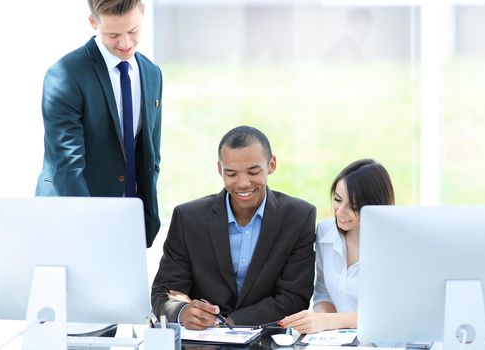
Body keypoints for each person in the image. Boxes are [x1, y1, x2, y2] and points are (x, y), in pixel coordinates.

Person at [151, 125, 317, 330]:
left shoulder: (299, 217)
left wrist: (231, 323)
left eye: (253, 171)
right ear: (220, 169)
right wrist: (183, 312)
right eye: (231, 174)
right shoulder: (188, 218)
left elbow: (294, 297)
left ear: (271, 164)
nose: (243, 183)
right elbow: (164, 293)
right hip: (201, 342)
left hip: (265, 340)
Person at [35, 0, 162, 247]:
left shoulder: (152, 73)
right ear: (93, 22)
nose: (125, 43)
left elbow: (151, 155)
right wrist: (91, 231)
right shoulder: (65, 75)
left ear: (143, 12)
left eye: (133, 31)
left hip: (127, 219)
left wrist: (146, 218)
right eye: (113, 34)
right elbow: (67, 166)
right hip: (70, 220)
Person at [280, 159, 395, 334]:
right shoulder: (325, 232)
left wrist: (328, 321)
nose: (340, 212)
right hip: (340, 341)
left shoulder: (394, 246)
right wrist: (318, 320)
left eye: (354, 206)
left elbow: (390, 313)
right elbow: (323, 293)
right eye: (338, 200)